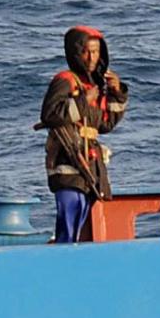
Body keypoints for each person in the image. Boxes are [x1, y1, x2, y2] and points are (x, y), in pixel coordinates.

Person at [37, 25, 128, 244]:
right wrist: (83, 101)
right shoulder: (65, 80)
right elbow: (50, 114)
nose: (91, 58)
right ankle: (63, 255)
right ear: (76, 52)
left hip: (90, 167)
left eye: (96, 52)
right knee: (69, 214)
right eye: (86, 51)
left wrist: (117, 94)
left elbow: (105, 124)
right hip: (68, 162)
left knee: (82, 217)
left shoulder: (95, 86)